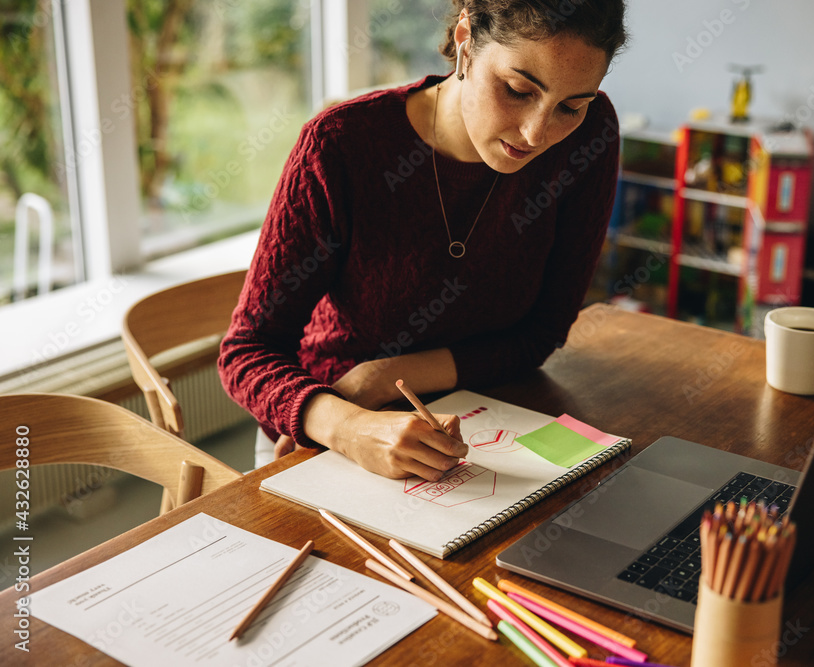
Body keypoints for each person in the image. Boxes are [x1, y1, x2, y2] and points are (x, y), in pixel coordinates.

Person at [219, 0, 628, 480]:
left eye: (570, 106)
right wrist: (348, 424)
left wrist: (384, 376)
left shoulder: (589, 136)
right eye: (518, 90)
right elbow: (246, 350)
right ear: (466, 41)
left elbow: (542, 333)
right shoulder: (341, 146)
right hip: (326, 426)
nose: (537, 133)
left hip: (492, 419)